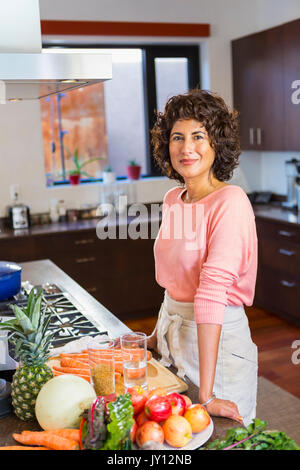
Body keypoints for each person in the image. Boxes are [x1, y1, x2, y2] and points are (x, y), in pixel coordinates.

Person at [148, 89, 258, 426]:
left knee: (221, 439)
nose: (186, 147)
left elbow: (210, 294)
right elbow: (176, 283)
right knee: (179, 437)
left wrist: (207, 394)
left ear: (216, 144)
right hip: (174, 340)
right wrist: (155, 336)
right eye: (177, 137)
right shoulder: (173, 199)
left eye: (198, 136)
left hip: (217, 345)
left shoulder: (231, 202)